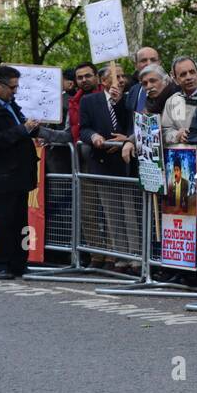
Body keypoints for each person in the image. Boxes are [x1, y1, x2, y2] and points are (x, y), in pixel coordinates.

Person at [0, 66, 42, 278]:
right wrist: (23, 129)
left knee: (20, 221)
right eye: (12, 87)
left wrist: (35, 128)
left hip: (19, 173)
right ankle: (0, 263)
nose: (15, 91)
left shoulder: (12, 105)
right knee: (2, 222)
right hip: (1, 175)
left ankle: (19, 262)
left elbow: (22, 130)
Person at [78, 64, 139, 272]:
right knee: (112, 214)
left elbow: (130, 124)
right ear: (104, 81)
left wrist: (119, 102)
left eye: (123, 76)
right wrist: (94, 136)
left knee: (130, 213)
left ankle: (135, 257)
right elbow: (83, 128)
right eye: (116, 76)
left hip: (124, 162)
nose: (121, 80)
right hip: (102, 162)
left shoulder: (129, 98)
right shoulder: (89, 101)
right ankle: (120, 257)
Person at [161, 56, 197, 146]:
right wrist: (177, 135)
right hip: (183, 156)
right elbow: (165, 131)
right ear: (176, 79)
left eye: (192, 72)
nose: (188, 77)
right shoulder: (172, 101)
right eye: (183, 74)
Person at [124, 47, 161, 113]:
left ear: (159, 63)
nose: (149, 64)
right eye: (144, 60)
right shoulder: (133, 90)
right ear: (136, 65)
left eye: (153, 60)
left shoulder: (170, 88)